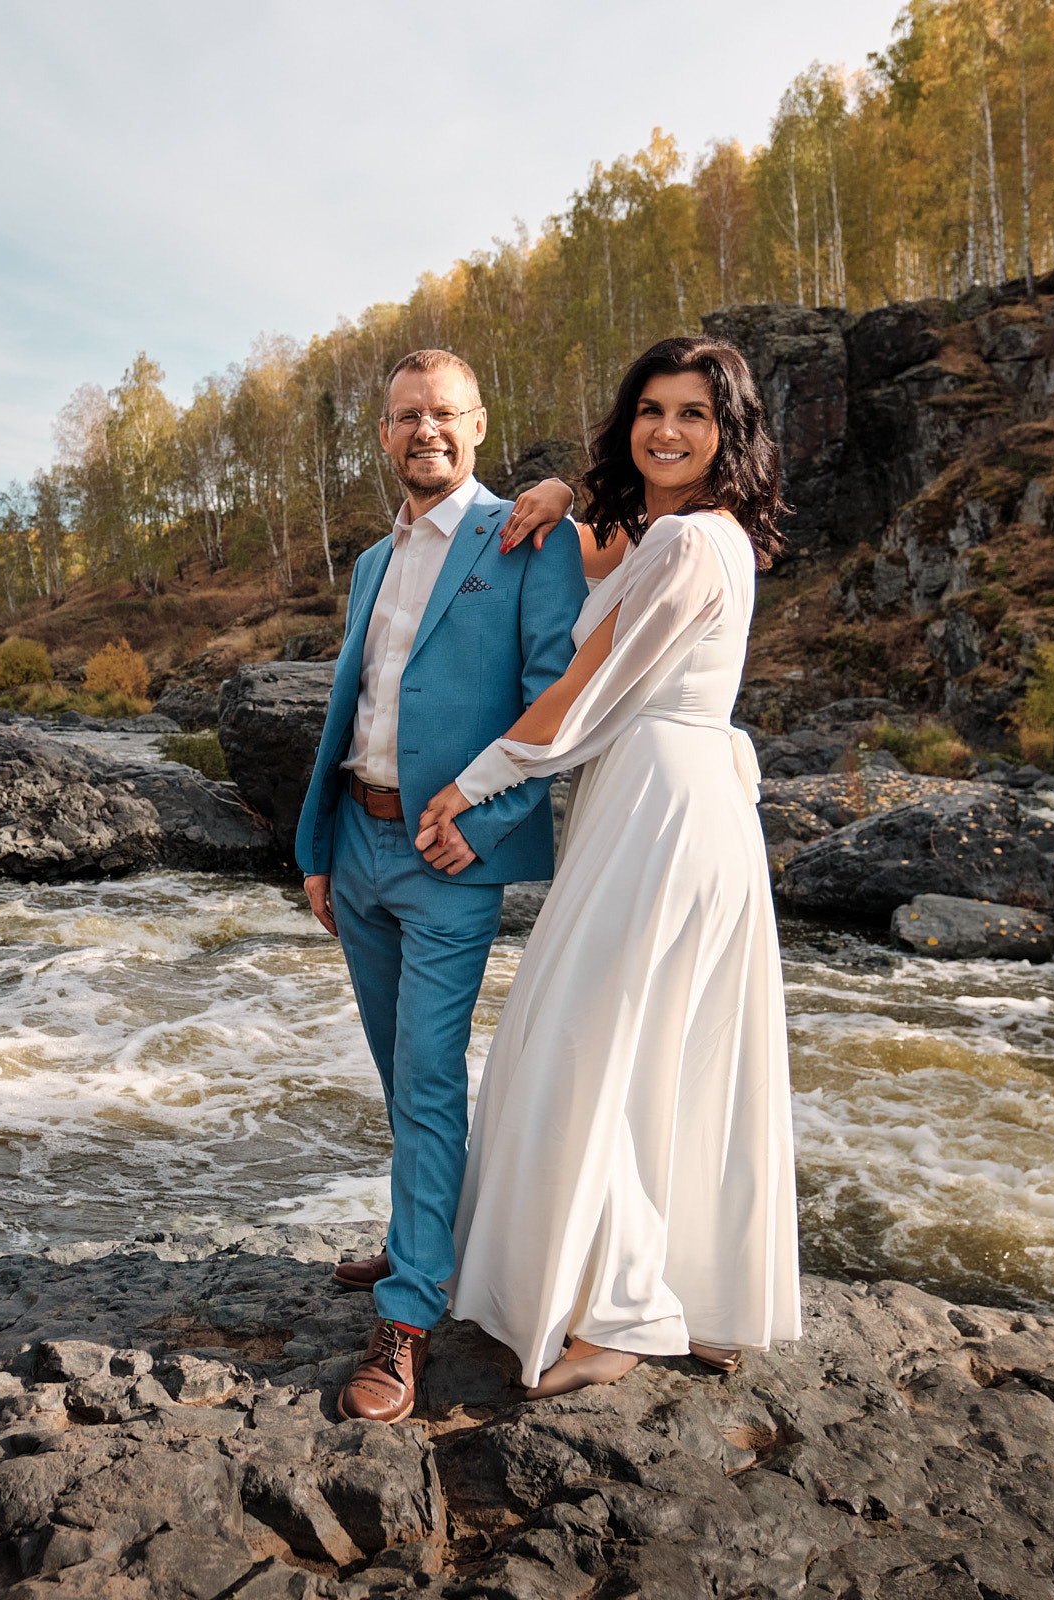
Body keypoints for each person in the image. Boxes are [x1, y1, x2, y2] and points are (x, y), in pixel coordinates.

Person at [415, 334, 801, 1398]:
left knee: (584, 1044)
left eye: (694, 415)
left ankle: (626, 1313)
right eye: (651, 410)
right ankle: (688, 1292)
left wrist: (473, 784)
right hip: (676, 803)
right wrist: (547, 493)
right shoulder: (687, 536)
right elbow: (589, 554)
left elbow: (587, 687)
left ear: (729, 433)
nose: (667, 431)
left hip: (662, 810)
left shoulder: (690, 544)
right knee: (662, 1052)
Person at [294, 348, 584, 1423]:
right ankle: (423, 1238)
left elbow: (557, 701)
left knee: (425, 1079)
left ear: (479, 422)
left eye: (446, 413)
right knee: (397, 1069)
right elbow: (356, 705)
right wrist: (317, 848)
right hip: (356, 845)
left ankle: (409, 1319)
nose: (427, 430)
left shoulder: (528, 539)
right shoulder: (374, 560)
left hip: (448, 855)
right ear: (384, 434)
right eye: (408, 415)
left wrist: (491, 823)